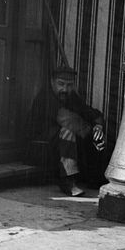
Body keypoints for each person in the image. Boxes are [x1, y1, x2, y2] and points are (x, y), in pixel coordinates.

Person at [29, 66, 105, 196]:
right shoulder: (45, 97)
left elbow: (89, 112)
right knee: (68, 132)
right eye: (61, 84)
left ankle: (95, 178)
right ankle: (67, 182)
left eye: (69, 85)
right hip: (40, 147)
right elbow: (68, 120)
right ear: (52, 81)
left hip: (59, 143)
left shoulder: (71, 96)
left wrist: (98, 126)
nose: (65, 89)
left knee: (97, 136)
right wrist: (92, 132)